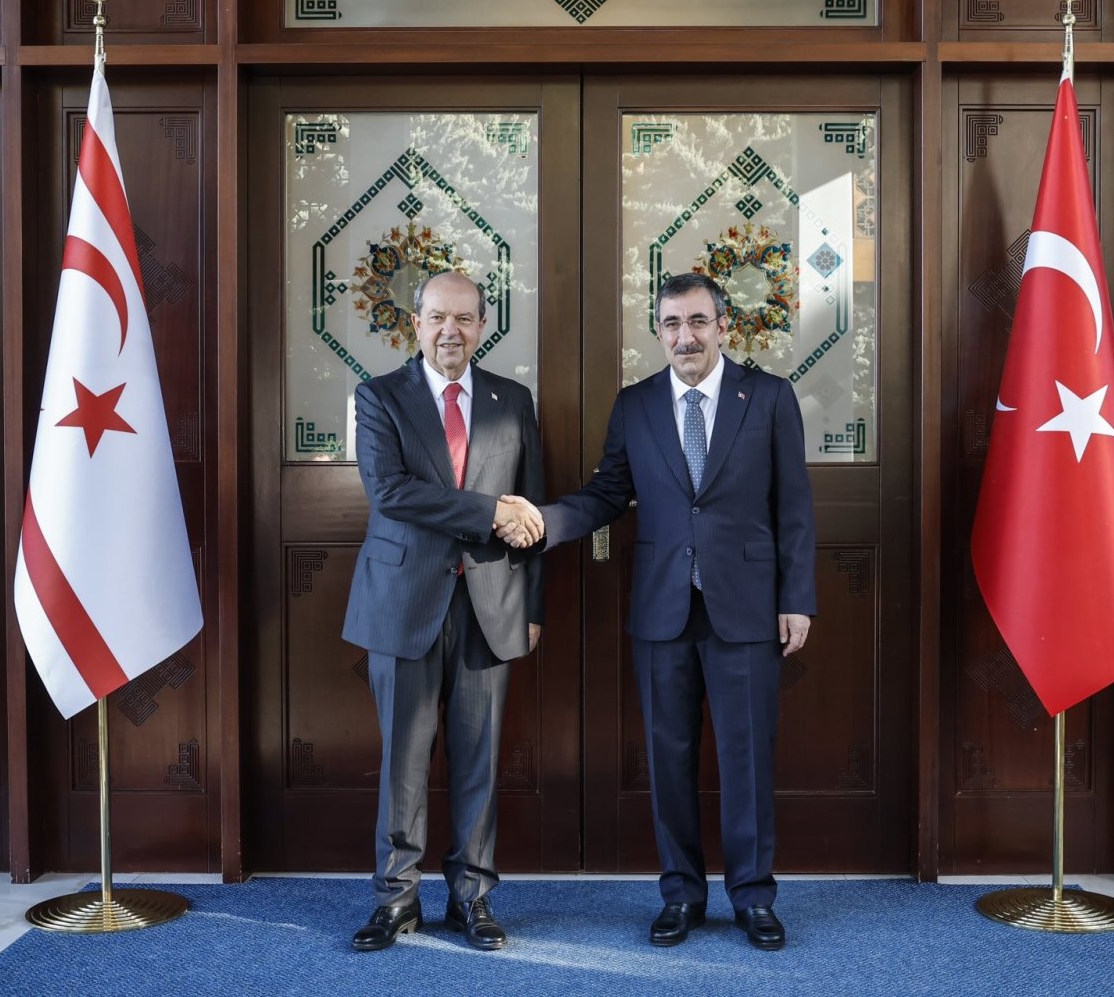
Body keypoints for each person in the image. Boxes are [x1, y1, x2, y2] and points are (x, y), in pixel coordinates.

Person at [501, 271, 814, 951]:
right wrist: (544, 522)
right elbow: (608, 492)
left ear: (723, 326)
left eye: (698, 322)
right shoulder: (636, 404)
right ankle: (681, 895)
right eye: (671, 324)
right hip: (662, 611)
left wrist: (797, 599)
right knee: (667, 758)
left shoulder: (766, 398)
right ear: (659, 331)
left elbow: (794, 508)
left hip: (748, 611)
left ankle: (753, 898)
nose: (685, 336)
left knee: (747, 757)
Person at [343, 271, 546, 953]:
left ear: (482, 326)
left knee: (479, 761)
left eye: (464, 318)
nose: (450, 331)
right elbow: (392, 492)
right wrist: (490, 512)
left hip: (492, 605)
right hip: (403, 604)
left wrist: (534, 605)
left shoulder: (512, 401)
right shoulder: (378, 397)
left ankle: (473, 898)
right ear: (417, 322)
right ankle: (397, 899)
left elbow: (534, 507)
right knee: (403, 759)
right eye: (437, 317)